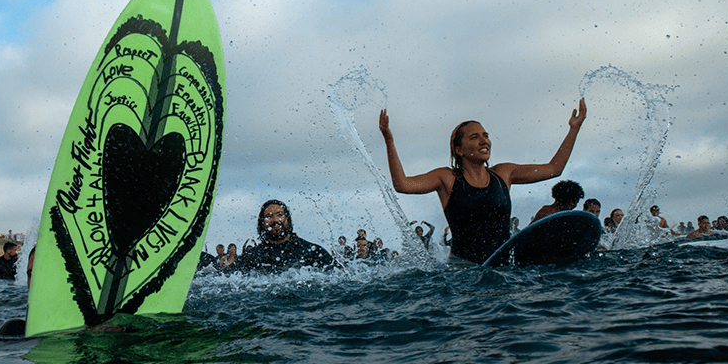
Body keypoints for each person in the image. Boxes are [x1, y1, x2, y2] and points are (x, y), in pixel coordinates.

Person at [379, 98, 586, 265]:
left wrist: (574, 129)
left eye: (485, 135)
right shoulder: (446, 178)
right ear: (459, 150)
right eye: (474, 137)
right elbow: (402, 184)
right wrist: (389, 140)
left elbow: (554, 169)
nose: (484, 140)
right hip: (463, 269)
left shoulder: (504, 173)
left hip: (504, 263)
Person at [230, 200, 334, 271]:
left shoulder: (312, 252)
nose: (275, 220)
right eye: (268, 216)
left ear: (288, 220)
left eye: (280, 215)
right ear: (262, 223)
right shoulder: (251, 257)